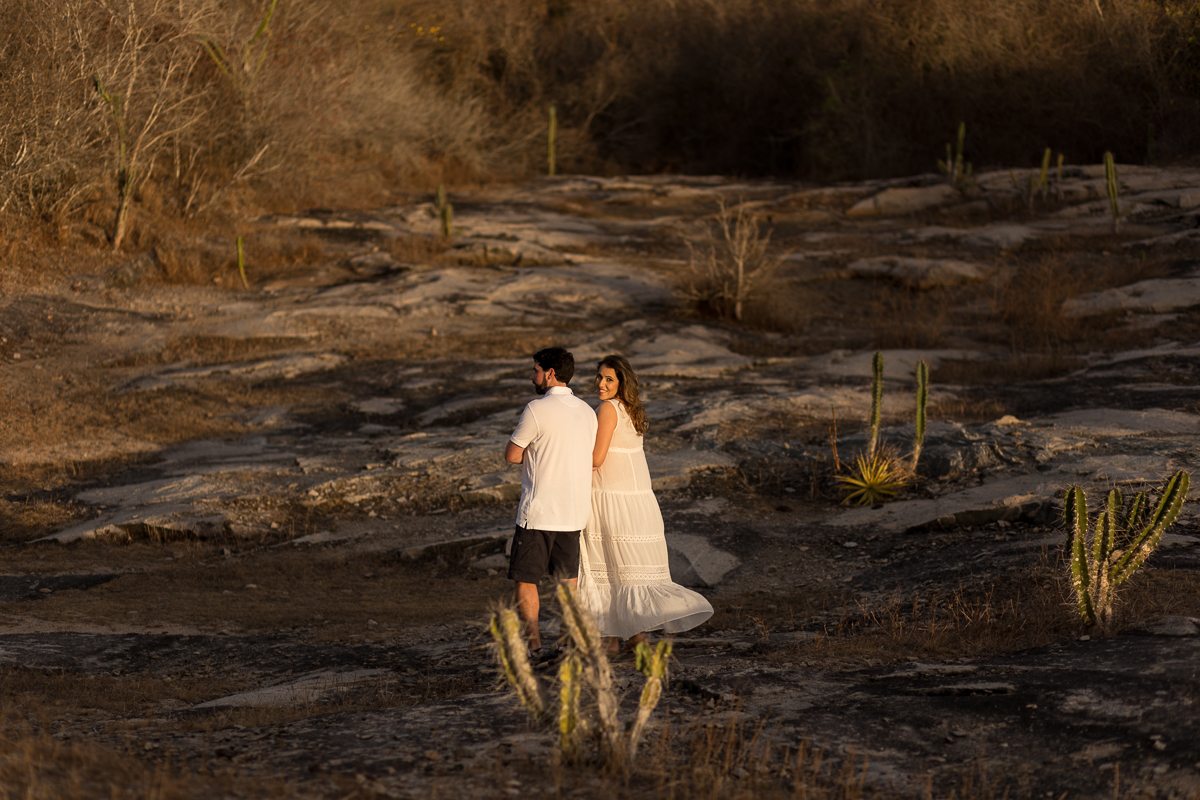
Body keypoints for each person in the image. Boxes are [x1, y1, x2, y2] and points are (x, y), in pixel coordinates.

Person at [577, 354, 713, 653]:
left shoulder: (608, 409)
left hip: (610, 501)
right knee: (625, 568)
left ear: (622, 382)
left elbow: (596, 460)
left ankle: (613, 639)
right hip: (637, 502)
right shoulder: (631, 410)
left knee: (610, 568)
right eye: (599, 377)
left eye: (608, 379)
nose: (600, 383)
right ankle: (634, 637)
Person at [504, 346, 597, 660]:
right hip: (574, 513)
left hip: (539, 511)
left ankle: (534, 647)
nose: (532, 376)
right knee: (567, 582)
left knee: (525, 578)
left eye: (535, 370)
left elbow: (512, 455)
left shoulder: (535, 409)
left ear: (550, 373)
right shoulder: (587, 411)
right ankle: (565, 644)